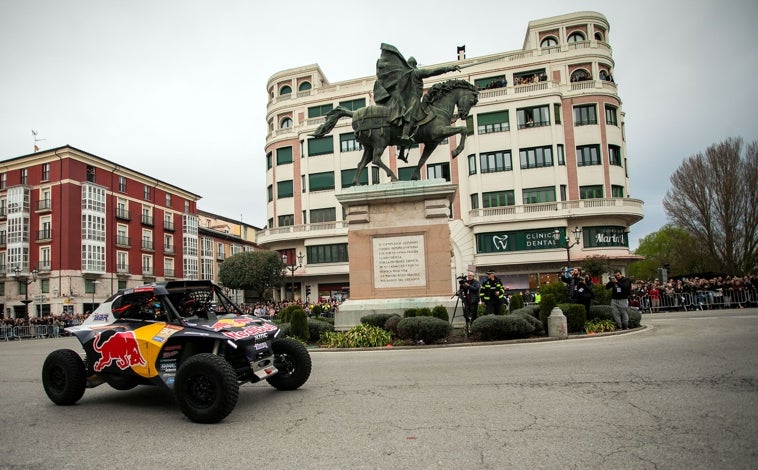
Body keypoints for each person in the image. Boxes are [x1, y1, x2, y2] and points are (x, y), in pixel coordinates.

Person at [373, 43, 460, 144]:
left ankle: (402, 149)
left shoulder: (406, 74)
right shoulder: (415, 73)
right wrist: (449, 68)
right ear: (414, 64)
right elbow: (432, 72)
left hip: (410, 98)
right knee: (413, 111)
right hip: (413, 98)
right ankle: (405, 134)